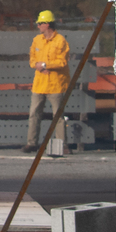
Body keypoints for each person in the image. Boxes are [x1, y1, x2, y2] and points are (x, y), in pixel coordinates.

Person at [22, 10, 71, 154]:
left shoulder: (60, 41)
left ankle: (62, 145)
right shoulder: (37, 40)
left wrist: (44, 65)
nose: (38, 26)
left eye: (39, 23)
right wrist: (37, 65)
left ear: (47, 24)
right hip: (39, 84)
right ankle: (31, 143)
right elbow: (32, 58)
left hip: (56, 84)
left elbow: (62, 62)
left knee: (58, 116)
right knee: (34, 114)